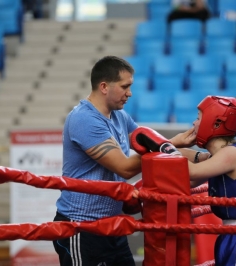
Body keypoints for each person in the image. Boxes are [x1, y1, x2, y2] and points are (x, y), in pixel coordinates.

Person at [52, 55, 196, 266]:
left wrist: (204, 157)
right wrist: (173, 142)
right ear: (104, 87)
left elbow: (153, 147)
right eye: (124, 86)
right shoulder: (84, 119)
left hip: (112, 224)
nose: (129, 93)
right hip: (81, 227)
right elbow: (125, 167)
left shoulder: (120, 116)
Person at [131, 95, 236, 266]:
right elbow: (189, 175)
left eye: (198, 118)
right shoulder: (219, 157)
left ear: (216, 122)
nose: (194, 123)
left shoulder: (231, 154)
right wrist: (170, 144)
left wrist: (165, 146)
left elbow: (191, 172)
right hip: (235, 235)